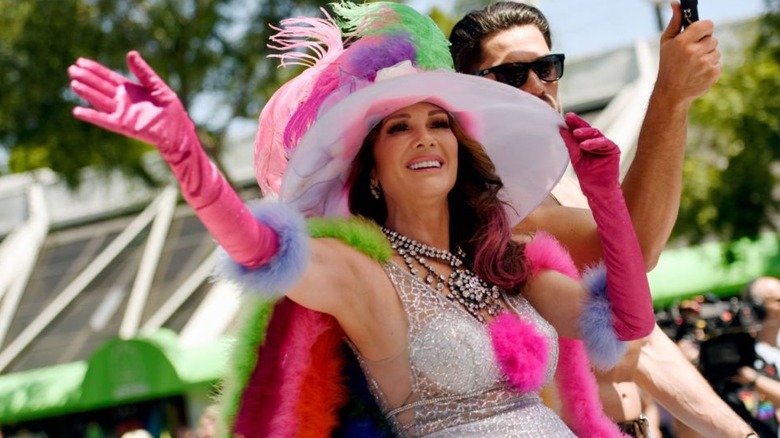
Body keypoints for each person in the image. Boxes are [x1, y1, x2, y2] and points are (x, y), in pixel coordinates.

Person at [68, 2, 654, 436]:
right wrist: (184, 153)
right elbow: (257, 248)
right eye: (399, 127)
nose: (424, 137)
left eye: (438, 121)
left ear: (459, 147)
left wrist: (603, 190)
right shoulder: (367, 273)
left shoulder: (505, 263)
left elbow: (628, 320)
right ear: (372, 168)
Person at [449, 1, 756, 437]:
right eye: (514, 73)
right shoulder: (481, 203)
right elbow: (637, 248)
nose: (537, 84)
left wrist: (739, 434)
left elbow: (644, 346)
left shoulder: (568, 185)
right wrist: (670, 97)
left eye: (547, 67)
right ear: (470, 92)